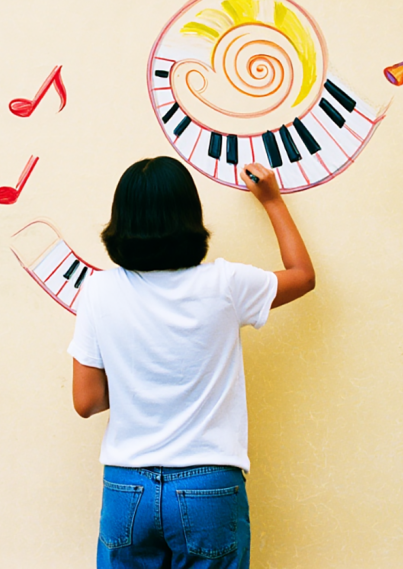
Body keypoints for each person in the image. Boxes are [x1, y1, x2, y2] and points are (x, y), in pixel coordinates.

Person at [68, 156, 315, 568]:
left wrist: (138, 380)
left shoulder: (99, 290)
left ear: (121, 221)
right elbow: (303, 276)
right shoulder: (226, 284)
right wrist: (272, 200)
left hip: (128, 487)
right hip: (209, 486)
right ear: (190, 216)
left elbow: (86, 401)